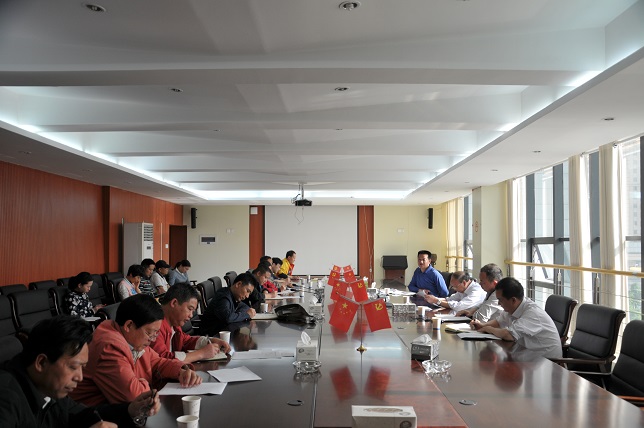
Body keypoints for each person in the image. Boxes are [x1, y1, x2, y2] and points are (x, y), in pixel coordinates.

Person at [0, 315, 160, 428]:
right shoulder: (5, 397)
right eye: (73, 367)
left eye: (82, 368)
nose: (79, 377)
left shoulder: (49, 386)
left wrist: (130, 409)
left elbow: (82, 414)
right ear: (41, 362)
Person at [70, 294, 201, 406]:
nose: (153, 340)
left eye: (155, 334)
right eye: (150, 333)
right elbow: (135, 397)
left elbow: (157, 362)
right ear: (129, 325)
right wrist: (145, 382)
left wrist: (180, 371)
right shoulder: (109, 347)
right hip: (96, 417)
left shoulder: (131, 339)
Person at [471, 277, 562, 359]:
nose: (498, 303)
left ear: (513, 300)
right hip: (528, 357)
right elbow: (499, 322)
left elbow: (509, 335)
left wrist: (488, 329)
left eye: (500, 300)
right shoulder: (514, 307)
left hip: (548, 363)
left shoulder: (533, 313)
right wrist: (482, 325)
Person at [150, 284, 230, 363]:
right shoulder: (154, 325)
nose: (191, 315)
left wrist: (210, 340)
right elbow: (163, 359)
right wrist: (201, 354)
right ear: (174, 303)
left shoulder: (174, 323)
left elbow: (186, 341)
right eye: (190, 309)